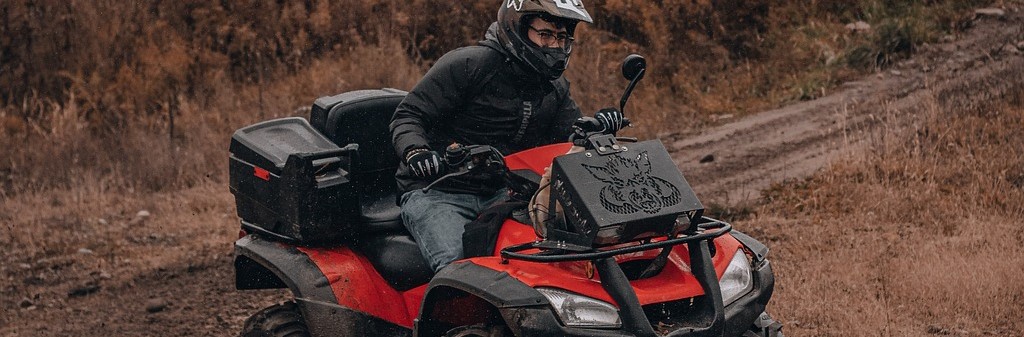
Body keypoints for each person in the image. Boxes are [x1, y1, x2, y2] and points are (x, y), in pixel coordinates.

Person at [390, 0, 625, 272]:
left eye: (561, 37)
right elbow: (408, 114)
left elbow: (567, 139)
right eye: (545, 34)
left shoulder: (554, 87)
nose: (554, 45)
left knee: (553, 252)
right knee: (460, 266)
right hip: (438, 190)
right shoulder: (468, 65)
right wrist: (415, 151)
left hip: (504, 190)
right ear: (518, 28)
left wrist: (597, 127)